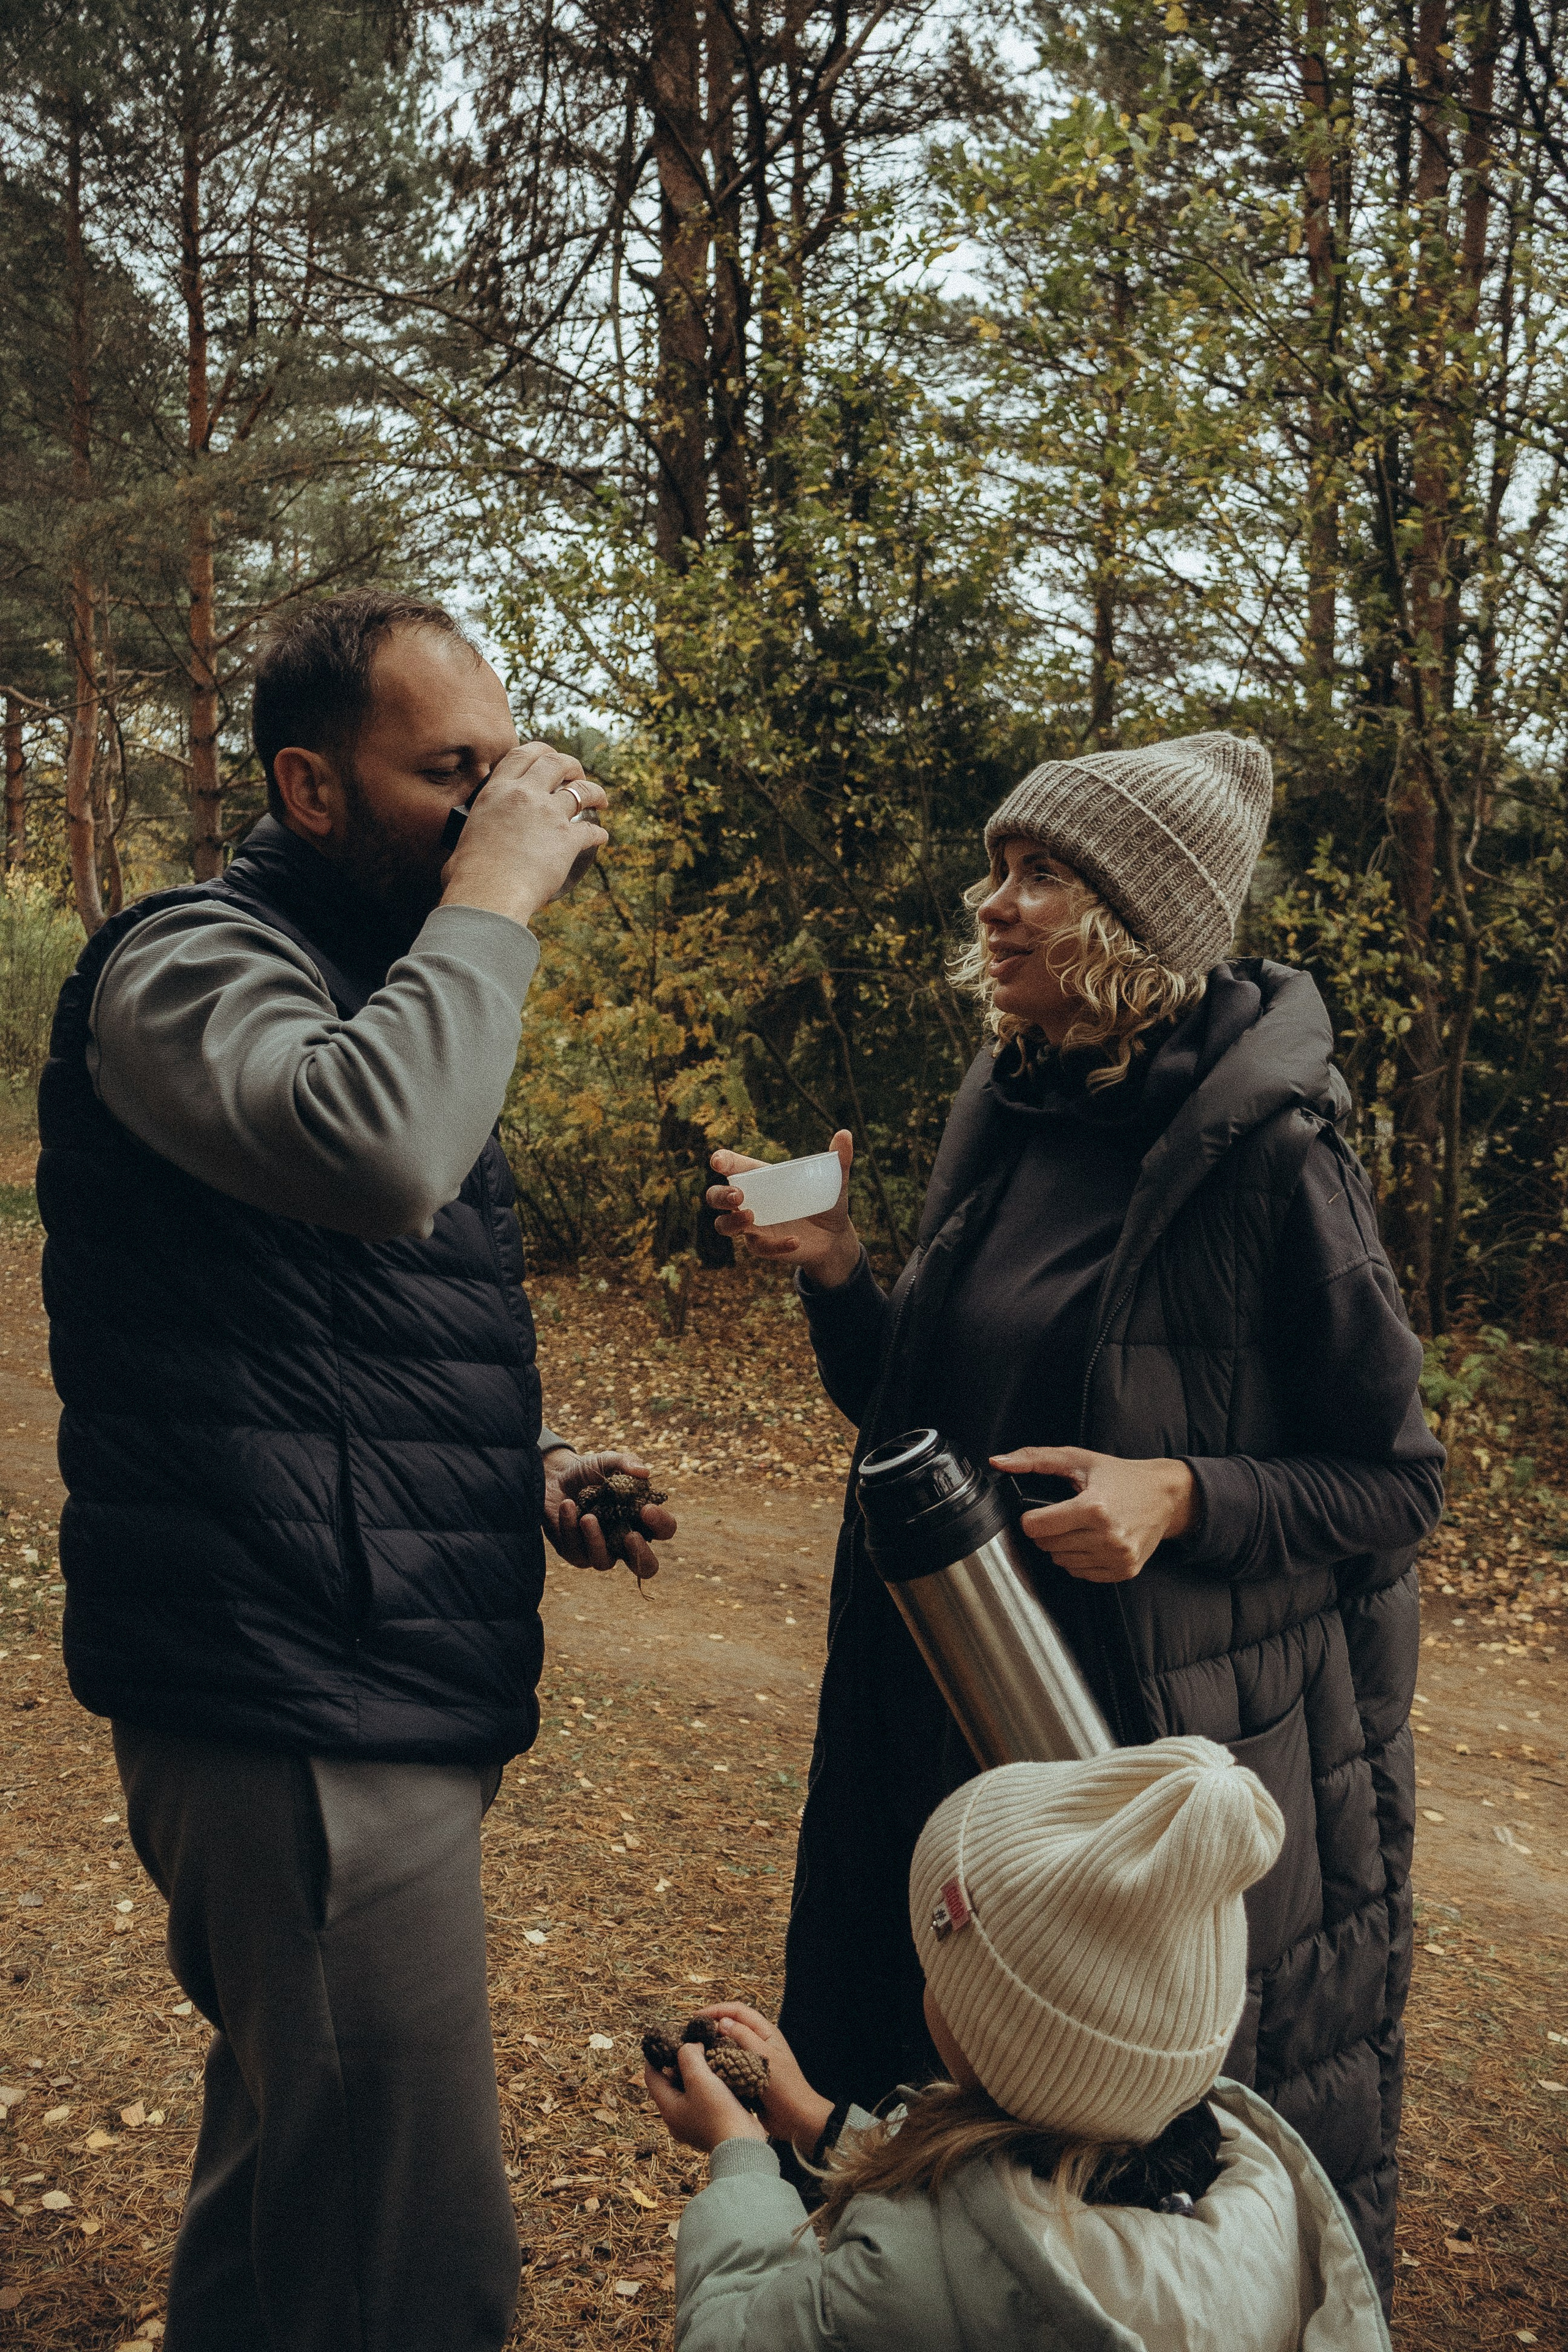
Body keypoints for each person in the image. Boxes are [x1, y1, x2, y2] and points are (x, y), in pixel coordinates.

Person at [708, 733, 1442, 2305]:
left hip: (1131, 1775)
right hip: (942, 1726)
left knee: (1100, 2228)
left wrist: (1177, 1493)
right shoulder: (1011, 1096)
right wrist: (841, 1271)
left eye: (1041, 873)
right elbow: (925, 1428)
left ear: (1136, 916)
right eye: (1000, 865)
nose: (994, 902)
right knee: (923, 2166)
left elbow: (1397, 1483)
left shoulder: (1274, 1157)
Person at [36, 592, 676, 2352]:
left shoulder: (378, 989)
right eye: (446, 773)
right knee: (411, 2271)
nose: (494, 808)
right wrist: (498, 895)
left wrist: (519, 1467)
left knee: (298, 2208)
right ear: (309, 790)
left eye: (502, 765)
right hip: (288, 1695)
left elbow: (316, 1320)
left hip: (354, 1662)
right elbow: (381, 1156)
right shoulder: (186, 966)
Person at [646, 1740, 1391, 2352]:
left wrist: (739, 2154)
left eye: (944, 1976)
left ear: (1002, 2039)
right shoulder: (1245, 2191)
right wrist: (816, 2121)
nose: (929, 1987)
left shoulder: (903, 2275)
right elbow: (996, 2213)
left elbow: (729, 2336)